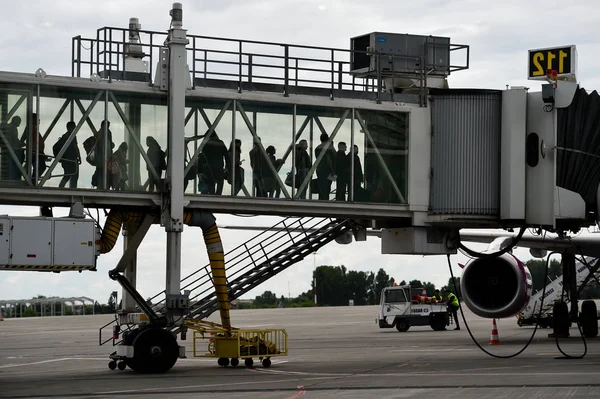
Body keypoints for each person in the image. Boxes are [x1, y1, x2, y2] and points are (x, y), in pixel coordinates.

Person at [56, 121, 81, 188]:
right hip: (72, 159)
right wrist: (79, 156)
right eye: (74, 127)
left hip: (65, 159)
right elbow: (75, 147)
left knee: (67, 175)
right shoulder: (72, 136)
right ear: (70, 127)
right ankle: (72, 189)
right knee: (74, 175)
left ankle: (61, 187)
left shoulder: (64, 136)